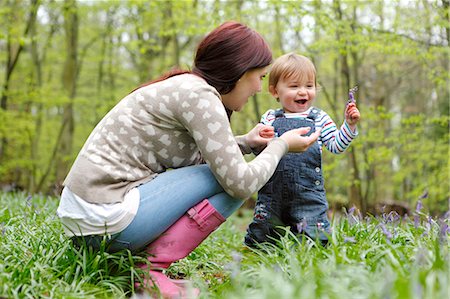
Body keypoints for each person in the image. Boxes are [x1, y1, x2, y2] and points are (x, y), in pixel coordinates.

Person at [56, 23, 321, 298]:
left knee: (230, 173)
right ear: (238, 72)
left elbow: (191, 162)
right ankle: (147, 271)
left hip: (87, 222)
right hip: (104, 219)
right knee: (235, 181)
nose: (257, 87)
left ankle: (136, 266)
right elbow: (240, 183)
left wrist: (245, 142)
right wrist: (281, 145)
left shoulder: (188, 87)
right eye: (258, 77)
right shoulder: (199, 96)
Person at [244, 53, 361, 248]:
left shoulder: (319, 118)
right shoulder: (270, 118)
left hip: (309, 194)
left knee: (316, 238)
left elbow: (336, 145)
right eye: (294, 86)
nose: (303, 92)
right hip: (272, 194)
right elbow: (261, 153)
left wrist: (349, 126)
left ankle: (309, 256)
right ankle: (259, 255)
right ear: (275, 91)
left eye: (309, 86)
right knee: (263, 235)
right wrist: (261, 139)